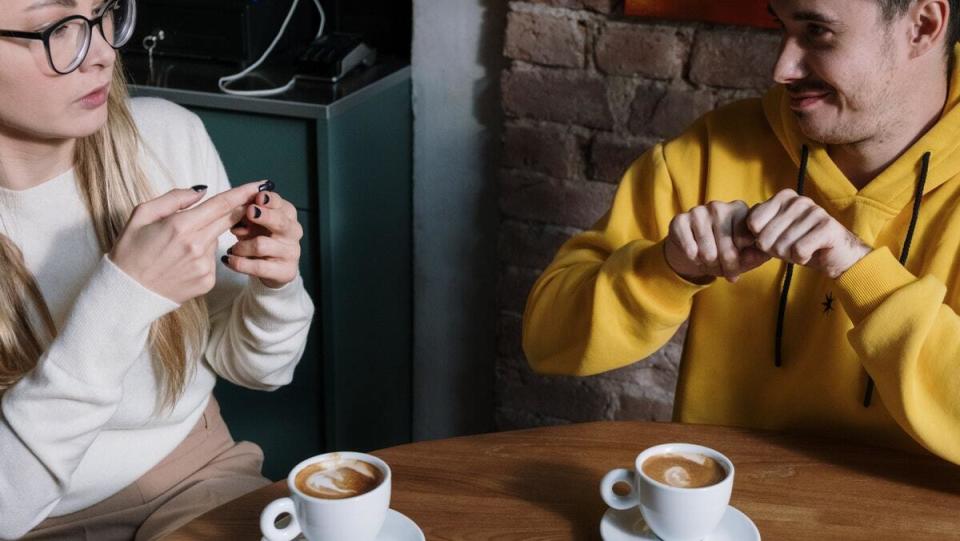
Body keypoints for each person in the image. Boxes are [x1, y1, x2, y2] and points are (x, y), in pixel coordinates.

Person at [524, 0, 960, 466]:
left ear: (922, 25)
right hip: (724, 514)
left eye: (816, 31)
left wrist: (860, 273)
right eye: (782, 27)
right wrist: (668, 268)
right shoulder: (710, 150)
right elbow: (547, 340)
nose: (782, 68)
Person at [0, 0, 315, 538]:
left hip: (199, 474)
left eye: (103, 14)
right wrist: (122, 299)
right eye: (55, 28)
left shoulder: (165, 137)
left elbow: (260, 371)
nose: (101, 53)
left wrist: (273, 289)